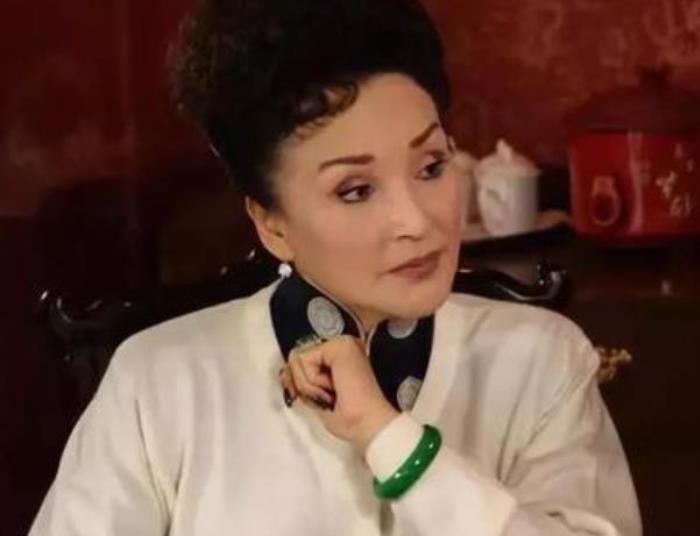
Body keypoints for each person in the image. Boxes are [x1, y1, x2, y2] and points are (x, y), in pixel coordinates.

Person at [30, 1, 642, 534]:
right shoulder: (159, 380)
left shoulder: (540, 359)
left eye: (431, 167)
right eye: (355, 190)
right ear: (272, 223)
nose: (416, 220)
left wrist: (388, 437)